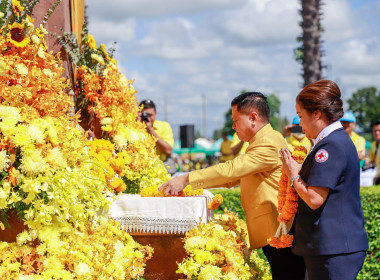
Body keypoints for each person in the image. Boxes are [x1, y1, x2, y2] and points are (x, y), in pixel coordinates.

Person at [159, 92, 306, 280]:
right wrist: (191, 187)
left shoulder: (268, 142)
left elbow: (231, 170)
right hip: (278, 228)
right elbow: (231, 178)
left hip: (282, 228)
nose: (233, 126)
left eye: (236, 120)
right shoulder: (263, 140)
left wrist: (186, 178)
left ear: (253, 118)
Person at [280, 80, 368, 280]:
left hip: (334, 248)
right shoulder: (332, 142)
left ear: (317, 114)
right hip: (331, 246)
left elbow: (314, 198)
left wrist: (293, 174)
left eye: (301, 116)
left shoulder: (331, 146)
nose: (299, 124)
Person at [139, 99, 175, 173]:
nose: (147, 118)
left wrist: (150, 130)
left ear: (155, 113)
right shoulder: (134, 127)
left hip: (162, 164)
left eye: (150, 115)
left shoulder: (164, 126)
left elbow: (168, 150)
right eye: (145, 115)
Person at [369, 120, 380, 185]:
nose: (377, 133)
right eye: (375, 131)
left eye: (379, 130)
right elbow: (371, 160)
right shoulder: (373, 145)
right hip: (377, 177)